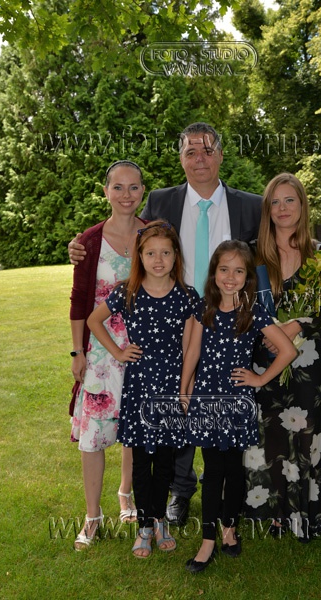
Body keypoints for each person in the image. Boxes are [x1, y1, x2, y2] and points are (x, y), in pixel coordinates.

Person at [68, 122, 263, 526]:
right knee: (172, 405)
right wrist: (79, 245)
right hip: (170, 328)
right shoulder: (161, 201)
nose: (200, 159)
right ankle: (179, 491)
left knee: (219, 405)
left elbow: (281, 239)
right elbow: (128, 235)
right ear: (181, 159)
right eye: (191, 152)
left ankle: (228, 493)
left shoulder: (250, 206)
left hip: (226, 326)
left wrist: (320, 252)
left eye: (207, 150)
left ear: (221, 154)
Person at [180, 240, 297, 573]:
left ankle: (230, 530)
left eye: (238, 271)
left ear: (247, 278)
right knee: (212, 472)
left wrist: (259, 379)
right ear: (214, 272)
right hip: (206, 400)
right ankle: (207, 541)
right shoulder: (204, 307)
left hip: (236, 403)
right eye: (224, 269)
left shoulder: (252, 311)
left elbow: (288, 350)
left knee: (234, 470)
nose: (230, 277)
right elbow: (192, 352)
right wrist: (184, 389)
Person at [87, 220, 199, 557]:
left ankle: (159, 521)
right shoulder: (128, 292)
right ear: (140, 256)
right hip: (139, 386)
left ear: (176, 255)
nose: (158, 259)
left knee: (164, 460)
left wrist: (185, 391)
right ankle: (144, 528)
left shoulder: (187, 297)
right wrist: (119, 351)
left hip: (170, 388)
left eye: (165, 252)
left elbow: (190, 348)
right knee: (140, 462)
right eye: (151, 253)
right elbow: (94, 320)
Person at [244, 173, 321, 542]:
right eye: (275, 202)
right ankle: (273, 512)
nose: (282, 208)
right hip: (263, 355)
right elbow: (235, 296)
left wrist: (295, 326)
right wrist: (269, 332)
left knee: (306, 432)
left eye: (289, 200)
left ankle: (307, 512)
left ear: (302, 205)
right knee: (269, 431)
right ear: (267, 209)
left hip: (306, 358)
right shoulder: (252, 252)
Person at [69, 160, 147, 550]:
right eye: (118, 187)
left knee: (134, 430)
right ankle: (92, 515)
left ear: (143, 191)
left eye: (133, 187)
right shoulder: (89, 240)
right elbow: (79, 300)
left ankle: (126, 495)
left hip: (143, 350)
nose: (126, 195)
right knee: (94, 437)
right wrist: (76, 351)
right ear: (106, 192)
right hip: (99, 353)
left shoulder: (155, 234)